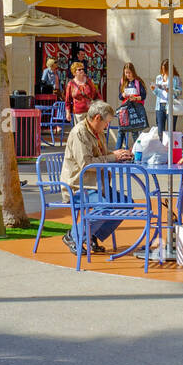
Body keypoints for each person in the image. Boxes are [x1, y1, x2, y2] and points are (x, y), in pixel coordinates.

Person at [59, 100, 132, 254]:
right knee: (104, 208)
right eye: (107, 122)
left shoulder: (97, 132)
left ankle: (91, 235)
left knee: (126, 204)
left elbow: (102, 156)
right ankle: (74, 235)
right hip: (79, 186)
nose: (107, 126)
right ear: (97, 118)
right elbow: (86, 164)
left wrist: (117, 154)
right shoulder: (80, 132)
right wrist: (113, 158)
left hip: (97, 184)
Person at [116, 62, 147, 149]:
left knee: (134, 131)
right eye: (126, 73)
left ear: (133, 72)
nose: (128, 75)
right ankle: (117, 150)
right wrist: (123, 95)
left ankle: (137, 150)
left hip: (135, 109)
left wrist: (136, 98)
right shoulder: (122, 81)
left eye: (129, 72)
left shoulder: (138, 81)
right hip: (125, 109)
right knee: (121, 130)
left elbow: (143, 95)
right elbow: (119, 97)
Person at [151, 59, 181, 137]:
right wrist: (154, 89)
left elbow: (179, 91)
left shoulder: (175, 78)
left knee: (171, 129)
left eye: (165, 69)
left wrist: (171, 90)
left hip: (171, 105)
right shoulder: (159, 77)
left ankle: (170, 148)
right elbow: (157, 92)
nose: (163, 71)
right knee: (160, 130)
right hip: (160, 105)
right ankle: (162, 148)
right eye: (162, 69)